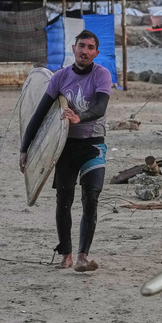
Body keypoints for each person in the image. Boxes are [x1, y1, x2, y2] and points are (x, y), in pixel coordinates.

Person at [19, 31, 111, 272]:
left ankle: (83, 256)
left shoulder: (101, 74)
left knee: (91, 198)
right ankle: (66, 255)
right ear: (74, 48)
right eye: (82, 46)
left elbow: (101, 107)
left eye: (91, 47)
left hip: (93, 145)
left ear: (96, 53)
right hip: (65, 147)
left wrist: (80, 117)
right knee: (64, 201)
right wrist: (25, 149)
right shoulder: (60, 77)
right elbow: (38, 115)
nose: (85, 51)